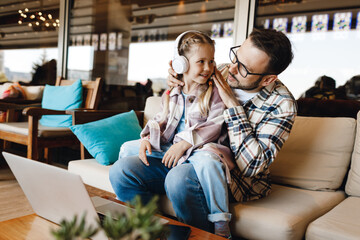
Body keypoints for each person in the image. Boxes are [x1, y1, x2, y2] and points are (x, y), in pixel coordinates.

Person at [166, 28, 297, 236]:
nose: (232, 69)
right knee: (127, 170)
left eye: (244, 68)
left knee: (179, 179)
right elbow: (187, 93)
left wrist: (233, 106)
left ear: (267, 80)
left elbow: (251, 166)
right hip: (190, 153)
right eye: (235, 57)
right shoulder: (223, 71)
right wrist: (179, 78)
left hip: (236, 179)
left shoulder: (282, 105)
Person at [109, 31, 234, 238]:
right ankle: (149, 223)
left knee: (208, 161)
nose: (207, 67)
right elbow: (161, 118)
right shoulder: (173, 91)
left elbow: (216, 123)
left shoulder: (215, 92)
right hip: (170, 151)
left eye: (211, 61)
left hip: (198, 153)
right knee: (125, 152)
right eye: (200, 61)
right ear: (181, 65)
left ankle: (220, 222)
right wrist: (147, 138)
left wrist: (185, 142)